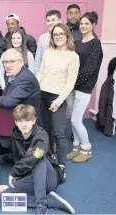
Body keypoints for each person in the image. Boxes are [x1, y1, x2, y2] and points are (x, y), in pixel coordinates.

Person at [3, 104, 74, 214]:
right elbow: (17, 158)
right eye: (20, 121)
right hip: (31, 177)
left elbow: (35, 156)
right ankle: (50, 200)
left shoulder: (41, 134)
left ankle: (41, 205)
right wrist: (18, 177)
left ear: (34, 120)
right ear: (16, 122)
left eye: (27, 120)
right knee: (9, 195)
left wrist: (14, 171)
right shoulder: (15, 135)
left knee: (39, 160)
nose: (24, 124)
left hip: (49, 177)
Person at [37, 23, 79, 169]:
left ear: (67, 35)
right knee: (45, 129)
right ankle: (48, 160)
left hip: (57, 98)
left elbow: (70, 83)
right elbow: (41, 73)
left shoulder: (73, 56)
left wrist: (58, 102)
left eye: (61, 34)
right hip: (43, 94)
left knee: (59, 133)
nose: (58, 37)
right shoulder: (48, 52)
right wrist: (35, 89)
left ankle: (61, 166)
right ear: (52, 37)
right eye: (55, 35)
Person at [66, 12, 103, 163]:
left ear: (94, 25)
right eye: (82, 23)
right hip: (71, 86)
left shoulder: (96, 44)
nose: (83, 26)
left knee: (75, 120)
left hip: (83, 87)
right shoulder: (78, 42)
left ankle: (86, 149)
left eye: (87, 23)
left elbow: (90, 69)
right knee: (74, 119)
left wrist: (72, 82)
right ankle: (76, 148)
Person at [0, 49, 40, 116]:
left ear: (21, 62)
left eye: (12, 61)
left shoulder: (24, 78)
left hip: (26, 120)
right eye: (5, 62)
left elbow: (9, 101)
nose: (7, 66)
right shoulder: (15, 73)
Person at [35, 10, 62, 75]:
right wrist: (37, 76)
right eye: (48, 21)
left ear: (60, 20)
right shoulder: (43, 38)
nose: (50, 23)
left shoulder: (66, 37)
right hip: (45, 75)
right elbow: (38, 59)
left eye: (53, 20)